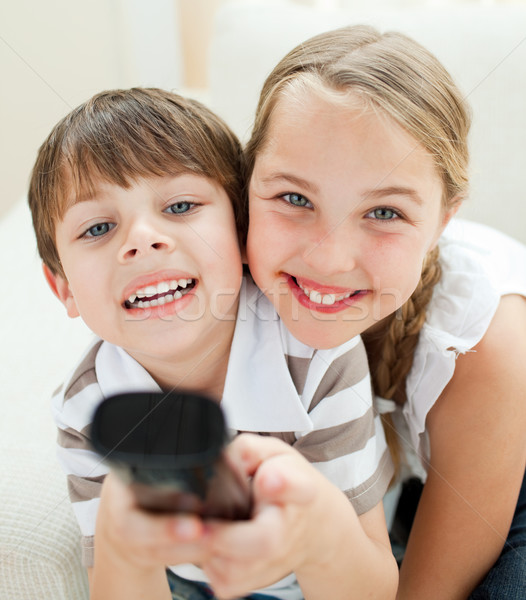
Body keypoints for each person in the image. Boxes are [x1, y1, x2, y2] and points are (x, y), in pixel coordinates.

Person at [28, 87, 398, 600]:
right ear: (64, 287)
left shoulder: (314, 354)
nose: (141, 238)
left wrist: (314, 525)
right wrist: (119, 534)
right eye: (98, 227)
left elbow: (371, 588)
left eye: (180, 205)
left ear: (242, 229)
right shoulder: (86, 409)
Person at [243, 25, 526, 600]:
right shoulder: (222, 271)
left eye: (385, 212)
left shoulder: (483, 342)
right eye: (295, 199)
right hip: (404, 484)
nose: (328, 257)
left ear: (444, 218)